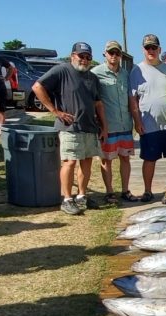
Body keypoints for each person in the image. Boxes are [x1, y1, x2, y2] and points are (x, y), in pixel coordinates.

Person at [32, 42, 107, 215]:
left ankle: (82, 196)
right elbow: (37, 87)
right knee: (70, 162)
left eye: (88, 57)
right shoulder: (62, 70)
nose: (85, 60)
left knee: (87, 162)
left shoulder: (92, 77)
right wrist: (55, 111)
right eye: (81, 56)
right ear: (72, 55)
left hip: (90, 127)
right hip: (69, 127)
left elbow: (98, 103)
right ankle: (66, 199)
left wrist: (104, 126)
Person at [129, 34, 166, 202]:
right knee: (149, 159)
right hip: (149, 125)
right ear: (143, 50)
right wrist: (137, 121)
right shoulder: (137, 70)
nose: (151, 50)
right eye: (148, 48)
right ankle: (148, 190)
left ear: (159, 49)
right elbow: (133, 99)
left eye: (154, 47)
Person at [92, 40, 138, 204]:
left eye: (117, 53)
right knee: (107, 160)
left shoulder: (127, 74)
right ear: (105, 54)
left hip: (125, 124)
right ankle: (109, 192)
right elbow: (94, 100)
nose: (114, 56)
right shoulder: (96, 73)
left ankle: (125, 190)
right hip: (107, 126)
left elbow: (132, 99)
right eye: (111, 52)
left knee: (125, 159)